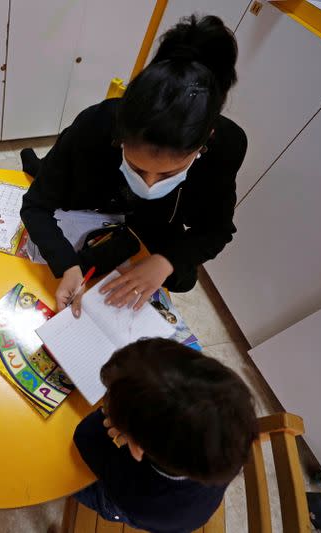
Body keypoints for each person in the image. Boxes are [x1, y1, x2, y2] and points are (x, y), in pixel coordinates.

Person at [20, 15, 246, 316]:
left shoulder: (227, 145)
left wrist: (164, 261)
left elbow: (217, 230)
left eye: (168, 174)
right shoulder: (96, 123)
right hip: (90, 204)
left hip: (152, 222)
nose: (150, 183)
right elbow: (36, 206)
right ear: (120, 136)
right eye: (138, 169)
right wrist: (67, 265)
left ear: (204, 144)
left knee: (181, 277)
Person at [73, 338, 257, 532]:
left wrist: (111, 415)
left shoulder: (136, 491)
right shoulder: (230, 440)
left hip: (131, 507)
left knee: (74, 484)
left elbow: (85, 437)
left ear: (136, 449)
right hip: (192, 507)